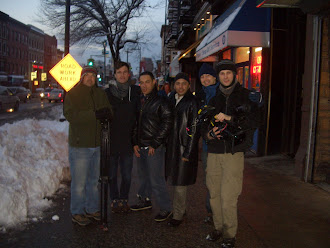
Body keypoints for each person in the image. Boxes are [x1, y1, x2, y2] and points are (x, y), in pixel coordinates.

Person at [202, 59, 261, 248]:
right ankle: (218, 228)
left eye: (228, 73)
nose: (225, 76)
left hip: (234, 153)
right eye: (222, 73)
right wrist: (208, 134)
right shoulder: (213, 99)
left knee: (228, 197)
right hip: (214, 152)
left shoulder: (246, 96)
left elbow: (254, 121)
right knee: (214, 194)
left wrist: (230, 118)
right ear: (218, 77)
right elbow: (203, 123)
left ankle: (229, 234)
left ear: (234, 75)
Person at [64, 65, 112, 226]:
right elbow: (71, 115)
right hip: (80, 146)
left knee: (93, 181)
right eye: (87, 76)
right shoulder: (73, 94)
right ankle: (77, 212)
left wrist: (108, 114)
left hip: (97, 144)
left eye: (93, 76)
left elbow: (108, 110)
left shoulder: (100, 93)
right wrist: (94, 115)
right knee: (79, 183)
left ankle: (92, 209)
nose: (90, 78)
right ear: (82, 78)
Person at [131, 71, 173, 222]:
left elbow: (167, 123)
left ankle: (166, 208)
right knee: (143, 177)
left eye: (147, 82)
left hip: (154, 147)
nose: (143, 85)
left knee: (156, 179)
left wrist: (155, 143)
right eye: (141, 82)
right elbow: (135, 123)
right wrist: (135, 142)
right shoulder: (139, 100)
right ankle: (145, 200)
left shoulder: (161, 101)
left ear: (154, 82)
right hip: (141, 145)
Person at [104, 61, 140, 213]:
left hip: (127, 141)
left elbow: (138, 116)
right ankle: (114, 199)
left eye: (125, 72)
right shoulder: (107, 93)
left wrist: (135, 139)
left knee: (126, 175)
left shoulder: (135, 91)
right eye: (119, 72)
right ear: (115, 75)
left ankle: (124, 199)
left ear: (129, 74)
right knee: (112, 175)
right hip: (112, 140)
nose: (122, 75)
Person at [165, 73, 199, 227]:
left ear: (188, 85)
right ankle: (180, 209)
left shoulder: (192, 102)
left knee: (180, 183)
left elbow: (194, 129)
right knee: (175, 180)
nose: (180, 86)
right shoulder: (171, 99)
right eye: (177, 83)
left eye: (183, 83)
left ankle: (178, 214)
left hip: (184, 148)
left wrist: (188, 152)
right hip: (172, 147)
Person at [195, 63, 219, 224]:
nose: (205, 79)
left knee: (222, 181)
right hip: (206, 146)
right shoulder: (200, 96)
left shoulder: (222, 93)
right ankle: (211, 212)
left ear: (214, 77)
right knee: (209, 181)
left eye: (208, 76)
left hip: (222, 146)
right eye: (202, 76)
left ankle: (221, 212)